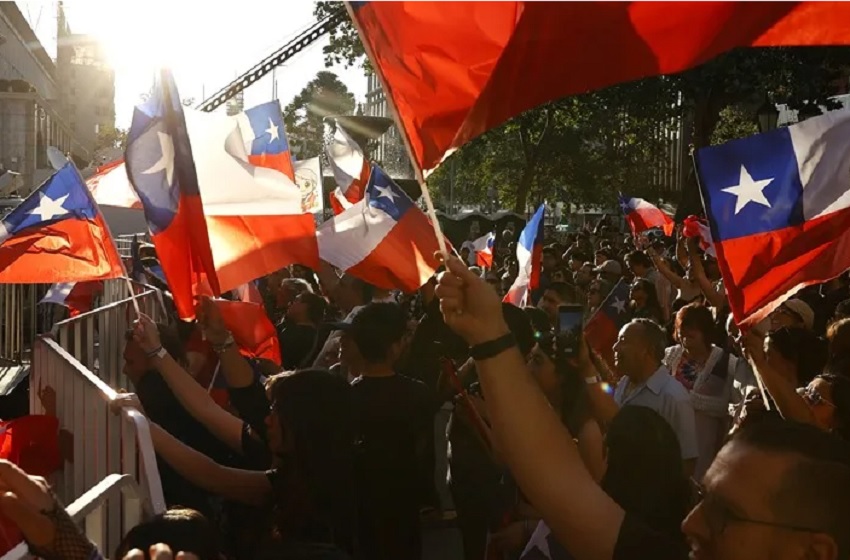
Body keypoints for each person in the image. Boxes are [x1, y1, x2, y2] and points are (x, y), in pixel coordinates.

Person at [434, 254, 850, 560]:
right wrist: (489, 336)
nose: (691, 524)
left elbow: (679, 464)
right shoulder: (625, 388)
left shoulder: (673, 397)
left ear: (815, 552)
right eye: (705, 499)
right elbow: (566, 464)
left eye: (727, 514)